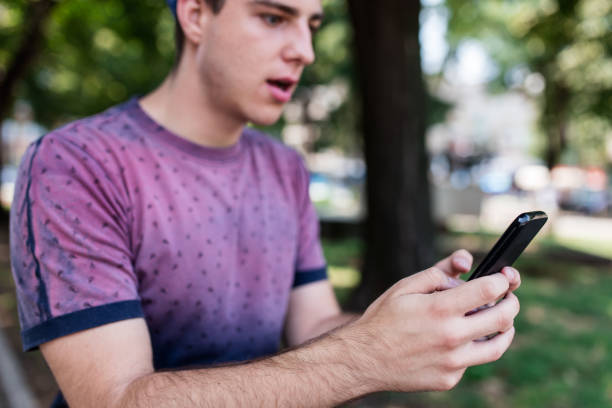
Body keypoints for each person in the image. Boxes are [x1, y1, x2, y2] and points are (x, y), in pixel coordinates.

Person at [9, 0, 521, 406]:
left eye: (312, 24)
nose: (305, 50)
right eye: (274, 17)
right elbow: (114, 399)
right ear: (195, 15)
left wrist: (408, 323)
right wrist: (367, 355)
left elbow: (314, 328)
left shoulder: (285, 169)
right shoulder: (74, 163)